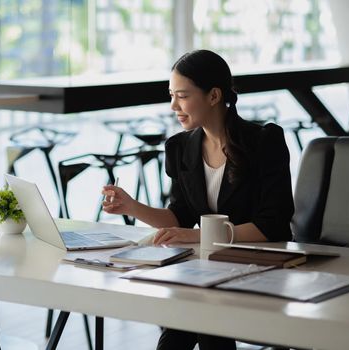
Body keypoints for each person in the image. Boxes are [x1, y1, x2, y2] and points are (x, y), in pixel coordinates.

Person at [101, 49, 294, 349]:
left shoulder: (264, 141)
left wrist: (199, 235)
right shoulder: (180, 147)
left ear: (214, 96)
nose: (173, 106)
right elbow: (179, 215)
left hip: (262, 266)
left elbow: (272, 225)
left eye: (182, 95)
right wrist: (131, 206)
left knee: (196, 316)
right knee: (187, 319)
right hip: (210, 269)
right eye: (171, 95)